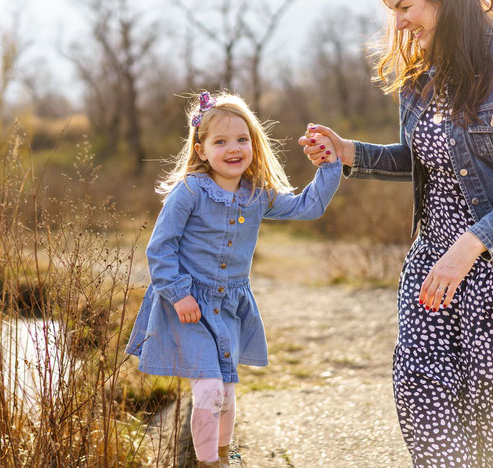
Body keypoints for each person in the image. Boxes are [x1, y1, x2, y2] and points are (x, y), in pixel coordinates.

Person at [301, 0, 493, 465]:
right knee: (425, 403)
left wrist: (470, 245)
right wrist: (347, 151)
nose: (397, 24)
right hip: (433, 273)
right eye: (391, 10)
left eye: (404, 6)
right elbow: (422, 160)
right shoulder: (420, 77)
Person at [126, 91, 341, 467]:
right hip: (188, 307)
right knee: (209, 388)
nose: (233, 148)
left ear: (254, 146)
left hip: (228, 307)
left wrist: (329, 165)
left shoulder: (256, 195)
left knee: (226, 388)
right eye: (220, 141)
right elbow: (160, 249)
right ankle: (208, 462)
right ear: (201, 150)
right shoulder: (190, 192)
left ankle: (223, 458)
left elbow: (309, 206)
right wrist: (178, 294)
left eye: (242, 139)